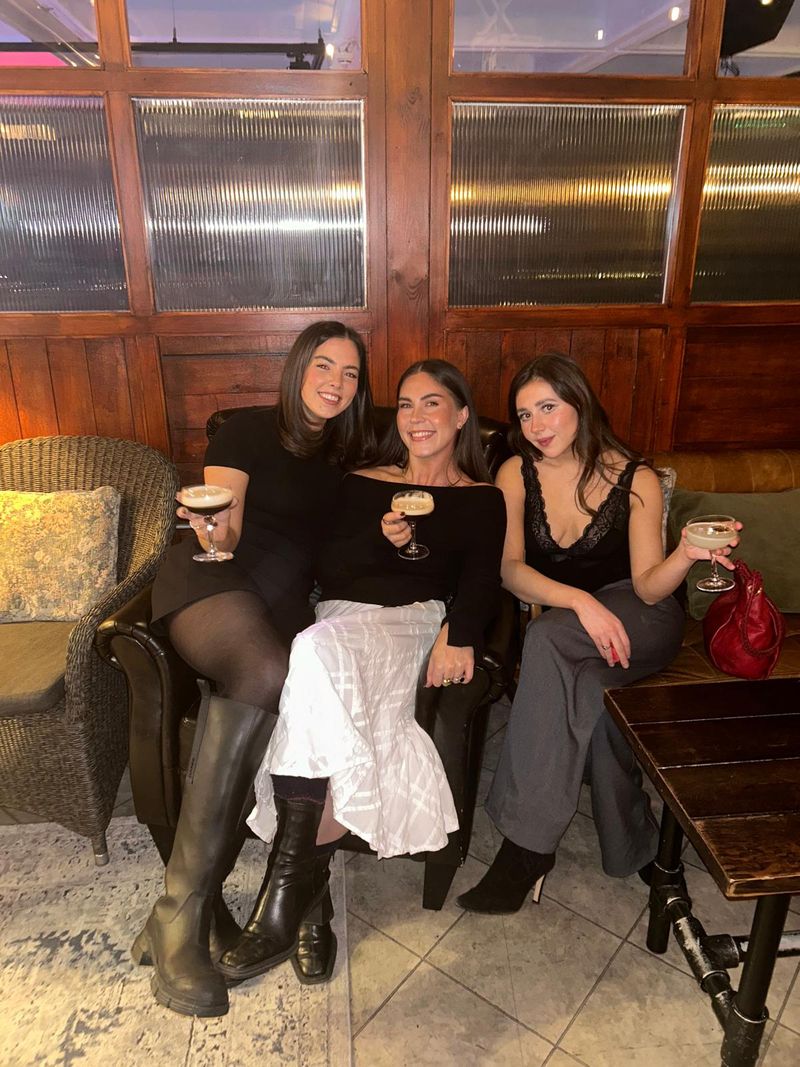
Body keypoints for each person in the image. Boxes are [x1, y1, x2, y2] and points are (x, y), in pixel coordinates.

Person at [215, 359, 506, 986]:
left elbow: (483, 577)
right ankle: (303, 902)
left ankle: (288, 898)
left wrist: (461, 635)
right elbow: (332, 567)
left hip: (412, 623)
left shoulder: (484, 499)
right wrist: (381, 539)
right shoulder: (363, 482)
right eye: (405, 404)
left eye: (433, 404)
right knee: (320, 656)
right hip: (341, 616)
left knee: (312, 655)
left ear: (461, 417)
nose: (417, 417)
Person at [133, 320, 376, 1017]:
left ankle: (297, 893)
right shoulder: (244, 431)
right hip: (218, 585)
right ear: (297, 365)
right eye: (323, 364)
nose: (335, 381)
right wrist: (209, 529)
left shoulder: (346, 462)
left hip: (287, 607)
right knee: (268, 672)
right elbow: (226, 527)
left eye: (351, 373)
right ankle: (180, 915)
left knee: (310, 684)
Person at [457, 352, 740, 915]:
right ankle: (633, 845)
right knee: (591, 693)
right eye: (525, 414)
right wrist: (578, 600)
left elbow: (651, 588)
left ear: (579, 404)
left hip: (642, 617)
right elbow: (510, 569)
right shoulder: (515, 472)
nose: (537, 426)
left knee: (545, 641)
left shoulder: (634, 476)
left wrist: (684, 553)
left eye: (548, 407)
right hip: (578, 617)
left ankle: (525, 848)